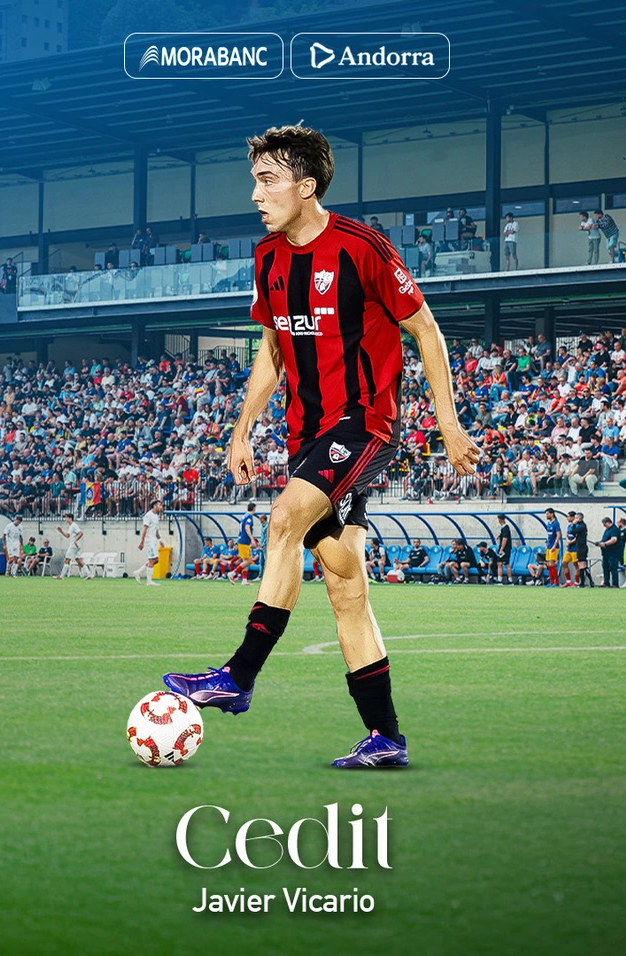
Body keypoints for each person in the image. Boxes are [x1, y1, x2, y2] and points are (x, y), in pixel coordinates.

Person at [164, 124, 481, 770]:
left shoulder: (362, 248)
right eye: (255, 181)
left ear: (306, 187)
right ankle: (386, 738)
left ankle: (238, 676)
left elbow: (426, 329)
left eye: (268, 181)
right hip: (305, 436)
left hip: (363, 423)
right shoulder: (267, 258)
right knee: (344, 582)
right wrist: (241, 428)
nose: (256, 195)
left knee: (283, 519)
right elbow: (271, 351)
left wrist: (448, 424)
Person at [133, 500, 164, 587]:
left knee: (156, 560)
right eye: (159, 505)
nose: (160, 507)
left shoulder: (156, 516)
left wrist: (160, 539)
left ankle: (138, 572)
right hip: (149, 541)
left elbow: (156, 530)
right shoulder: (148, 515)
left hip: (153, 540)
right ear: (154, 506)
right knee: (152, 560)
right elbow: (144, 529)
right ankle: (149, 581)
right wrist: (142, 541)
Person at [565, 510, 592, 588]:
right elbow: (572, 532)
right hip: (579, 547)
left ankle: (582, 583)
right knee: (582, 565)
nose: (575, 519)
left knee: (581, 565)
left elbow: (573, 531)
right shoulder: (580, 525)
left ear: (580, 518)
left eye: (576, 518)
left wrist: (573, 524)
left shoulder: (582, 526)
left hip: (582, 547)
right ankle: (591, 581)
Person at [540, 507, 563, 588]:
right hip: (549, 546)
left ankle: (556, 582)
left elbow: (558, 535)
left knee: (552, 564)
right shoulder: (549, 523)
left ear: (552, 514)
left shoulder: (556, 523)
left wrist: (554, 545)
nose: (546, 515)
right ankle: (552, 582)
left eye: (547, 514)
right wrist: (546, 544)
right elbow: (549, 536)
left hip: (554, 547)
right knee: (549, 565)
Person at [598, 516, 623, 587]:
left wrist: (605, 544)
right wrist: (600, 542)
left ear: (608, 522)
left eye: (604, 524)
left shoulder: (614, 530)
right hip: (606, 553)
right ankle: (606, 582)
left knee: (613, 568)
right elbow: (605, 539)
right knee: (605, 567)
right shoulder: (607, 530)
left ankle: (615, 584)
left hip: (613, 553)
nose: (604, 526)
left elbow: (614, 539)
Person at [236, 502, 259, 567]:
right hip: (245, 540)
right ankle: (235, 571)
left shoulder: (244, 516)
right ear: (254, 509)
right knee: (249, 560)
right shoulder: (249, 516)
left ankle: (242, 574)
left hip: (241, 539)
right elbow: (247, 528)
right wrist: (252, 539)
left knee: (245, 561)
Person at [495, 514, 515, 584]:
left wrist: (501, 549)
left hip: (505, 549)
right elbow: (503, 535)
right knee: (500, 563)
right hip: (505, 549)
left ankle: (508, 580)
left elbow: (505, 539)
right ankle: (501, 579)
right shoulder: (504, 528)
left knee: (505, 564)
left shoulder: (505, 528)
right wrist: (499, 535)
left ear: (499, 520)